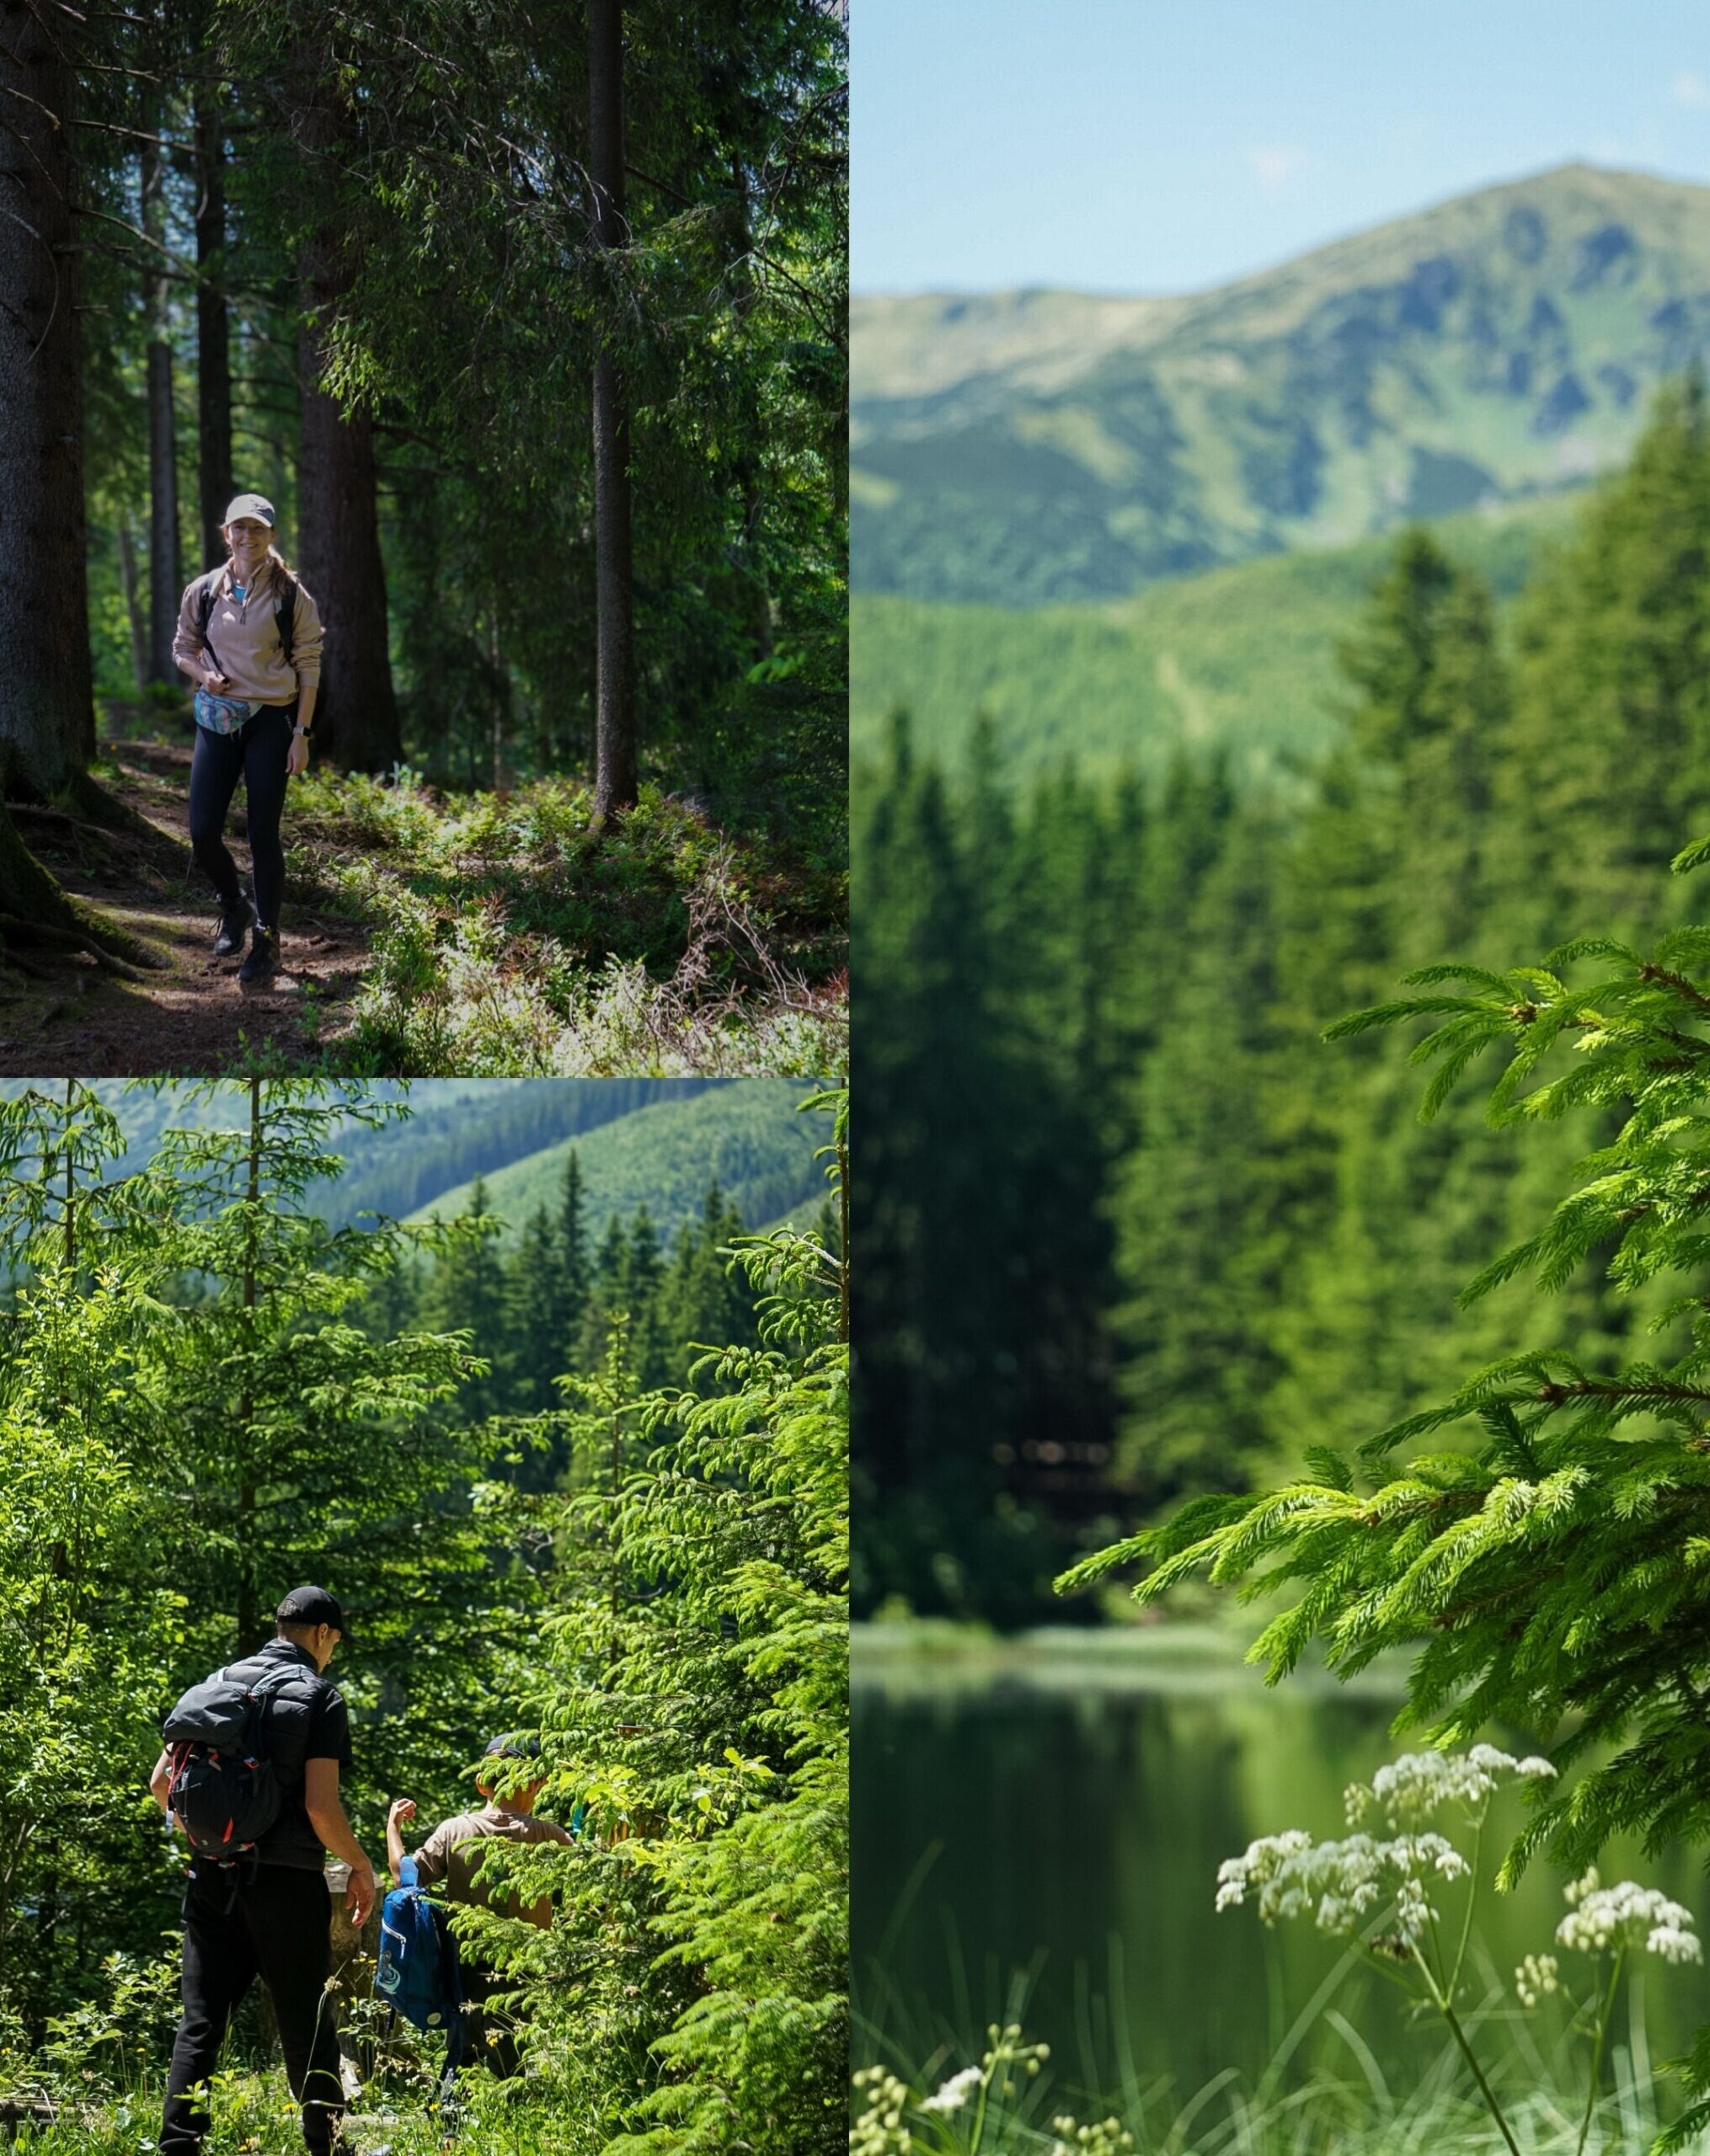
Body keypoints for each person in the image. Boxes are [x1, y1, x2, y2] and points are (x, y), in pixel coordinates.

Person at [151, 1588, 377, 2156]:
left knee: (201, 2022)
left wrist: (214, 1843)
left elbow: (162, 1787)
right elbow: (321, 1808)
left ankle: (178, 2146)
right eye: (334, 1644)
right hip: (284, 1882)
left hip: (211, 1880)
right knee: (307, 2021)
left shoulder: (217, 1683)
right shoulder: (318, 1697)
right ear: (323, 1634)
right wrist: (359, 1863)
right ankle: (329, 2148)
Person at [172, 494, 324, 985]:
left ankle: (267, 940)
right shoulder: (203, 591)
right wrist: (203, 675)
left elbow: (309, 666)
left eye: (257, 529)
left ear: (270, 537)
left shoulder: (290, 596)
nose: (247, 537)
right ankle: (233, 906)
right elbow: (183, 649)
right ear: (226, 534)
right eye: (239, 528)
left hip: (271, 722)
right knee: (201, 830)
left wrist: (300, 734)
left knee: (262, 835)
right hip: (217, 718)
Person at [386, 1736, 573, 2077]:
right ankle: (512, 2120)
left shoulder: (455, 1830)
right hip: (526, 1971)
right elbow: (587, 1878)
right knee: (514, 2060)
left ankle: (450, 2123)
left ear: (481, 1784)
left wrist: (393, 1828)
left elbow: (405, 1877)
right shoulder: (549, 1836)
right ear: (537, 1782)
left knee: (462, 2056)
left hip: (464, 1970)